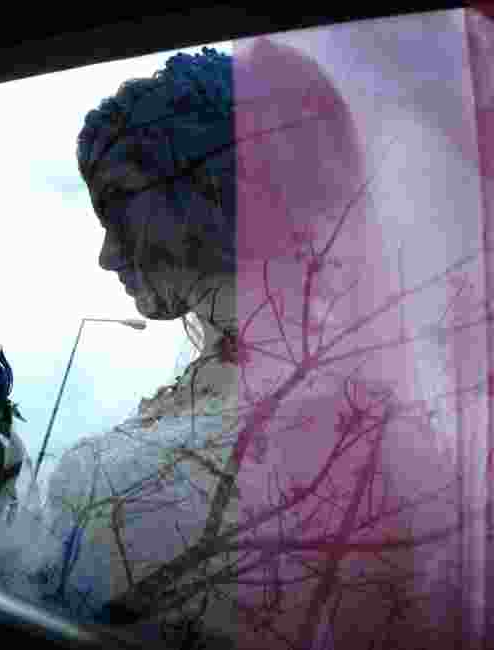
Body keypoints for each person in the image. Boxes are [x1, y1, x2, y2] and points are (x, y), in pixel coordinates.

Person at [44, 38, 454, 649]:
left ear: (213, 195)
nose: (106, 256)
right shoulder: (203, 396)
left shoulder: (368, 447)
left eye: (122, 208)